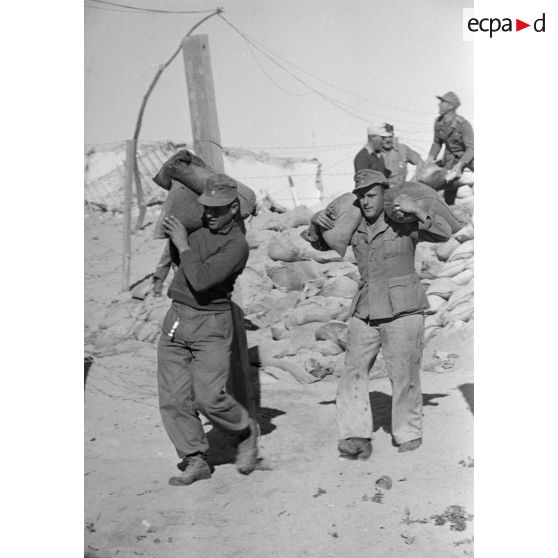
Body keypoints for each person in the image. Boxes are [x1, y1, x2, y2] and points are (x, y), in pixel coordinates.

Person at [311, 169, 452, 459]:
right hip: (366, 308)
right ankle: (354, 433)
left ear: (384, 193)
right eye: (361, 196)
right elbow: (320, 243)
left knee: (404, 373)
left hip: (404, 308)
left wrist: (418, 210)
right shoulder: (353, 223)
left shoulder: (402, 219)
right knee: (353, 370)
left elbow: (443, 233)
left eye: (371, 195)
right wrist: (316, 225)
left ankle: (408, 431)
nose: (365, 201)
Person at [157, 174, 258, 486]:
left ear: (233, 209)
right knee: (173, 398)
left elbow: (201, 280)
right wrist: (180, 246)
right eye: (206, 208)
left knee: (209, 397)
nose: (210, 214)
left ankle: (244, 429)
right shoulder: (198, 227)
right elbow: (179, 263)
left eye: (217, 209)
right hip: (177, 317)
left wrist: (182, 244)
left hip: (211, 324)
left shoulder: (236, 245)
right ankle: (195, 458)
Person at [426, 91, 474, 205]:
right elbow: (437, 143)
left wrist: (459, 165)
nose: (439, 104)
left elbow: (471, 149)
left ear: (451, 106)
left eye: (443, 102)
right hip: (449, 161)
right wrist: (430, 159)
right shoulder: (438, 123)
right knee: (445, 191)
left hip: (467, 162)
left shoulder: (463, 125)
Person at [379, 123, 423, 188]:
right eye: (384, 137)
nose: (388, 140)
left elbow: (420, 161)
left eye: (390, 136)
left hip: (403, 190)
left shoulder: (402, 149)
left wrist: (414, 180)